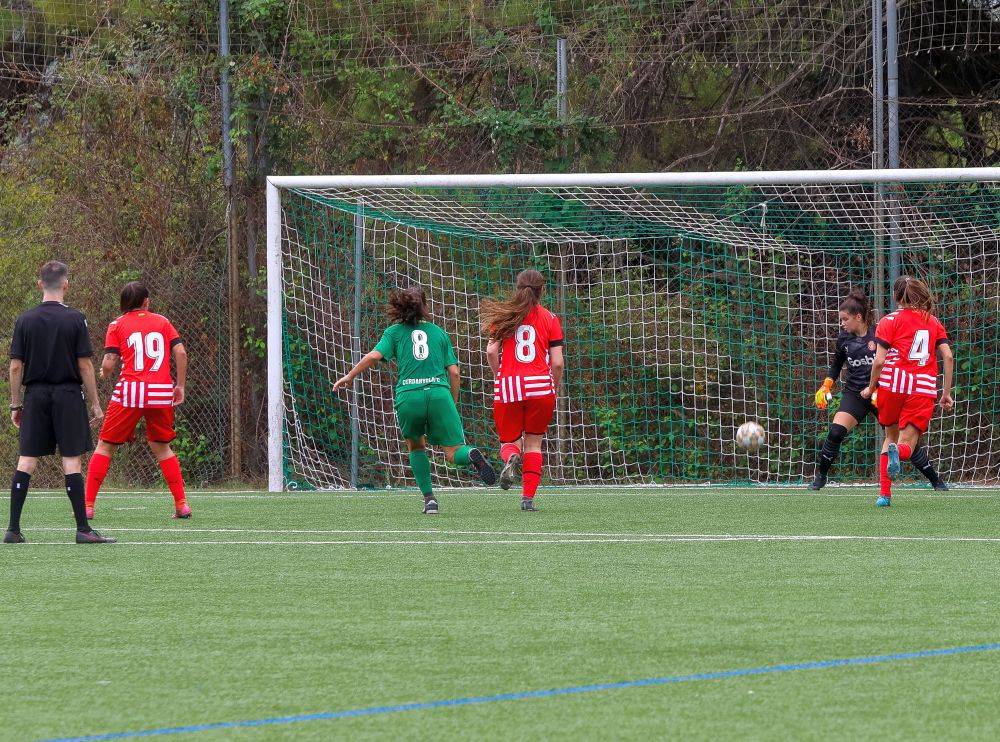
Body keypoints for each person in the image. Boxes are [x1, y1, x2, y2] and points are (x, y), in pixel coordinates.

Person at [332, 286, 496, 514]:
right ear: (425, 307)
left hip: (409, 396)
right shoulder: (438, 333)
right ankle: (470, 455)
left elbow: (373, 356)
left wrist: (349, 376)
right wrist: (452, 402)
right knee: (452, 451)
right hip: (439, 394)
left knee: (416, 446)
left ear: (401, 307)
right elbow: (455, 373)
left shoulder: (394, 332)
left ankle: (429, 500)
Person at [4, 261, 114, 544]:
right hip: (67, 395)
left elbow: (16, 367)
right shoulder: (76, 318)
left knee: (26, 460)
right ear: (66, 284)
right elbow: (86, 366)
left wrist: (16, 405)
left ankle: (13, 530)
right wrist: (95, 403)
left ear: (39, 284)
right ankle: (82, 529)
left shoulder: (24, 320)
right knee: (71, 460)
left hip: (36, 395)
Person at [811, 288, 946, 491]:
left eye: (845, 319)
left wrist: (878, 387)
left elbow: (890, 361)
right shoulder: (843, 339)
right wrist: (827, 384)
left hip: (881, 393)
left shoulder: (880, 331)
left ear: (858, 317)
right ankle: (820, 477)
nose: (842, 323)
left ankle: (935, 481)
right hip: (855, 394)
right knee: (836, 432)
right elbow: (836, 365)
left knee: (901, 439)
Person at [85, 282, 190, 519]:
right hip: (161, 392)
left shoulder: (117, 324)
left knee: (105, 445)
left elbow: (109, 363)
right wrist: (180, 386)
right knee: (162, 447)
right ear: (146, 301)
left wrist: (103, 372)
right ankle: (182, 504)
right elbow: (181, 352)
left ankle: (87, 507)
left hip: (131, 391)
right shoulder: (162, 322)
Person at [861, 276, 955, 507]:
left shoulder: (888, 320)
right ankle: (899, 453)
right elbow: (948, 356)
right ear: (920, 294)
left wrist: (871, 387)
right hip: (921, 386)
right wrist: (945, 393)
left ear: (896, 297)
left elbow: (879, 362)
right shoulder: (932, 321)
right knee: (906, 444)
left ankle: (884, 495)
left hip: (892, 385)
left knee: (889, 437)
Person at [481, 269, 564, 511]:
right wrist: (553, 386)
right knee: (534, 445)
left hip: (509, 386)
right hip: (540, 387)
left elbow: (491, 352)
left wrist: (500, 377)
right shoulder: (550, 318)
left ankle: (510, 459)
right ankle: (527, 499)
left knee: (509, 440)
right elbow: (557, 362)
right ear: (543, 291)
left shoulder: (504, 316)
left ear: (517, 289)